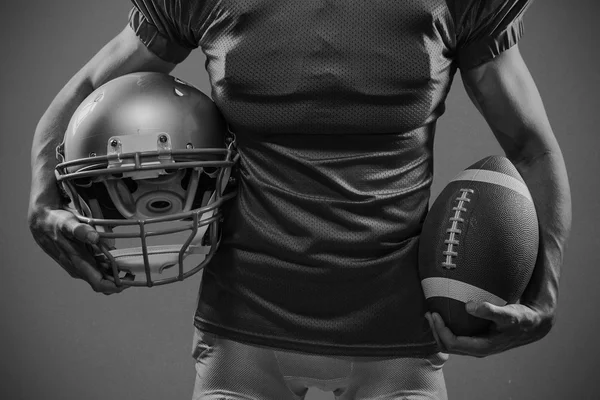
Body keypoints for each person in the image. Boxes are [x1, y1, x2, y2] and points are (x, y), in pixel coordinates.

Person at [28, 0, 572, 399]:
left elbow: (530, 146)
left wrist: (543, 294)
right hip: (242, 336)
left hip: (399, 340)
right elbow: (88, 91)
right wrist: (41, 200)